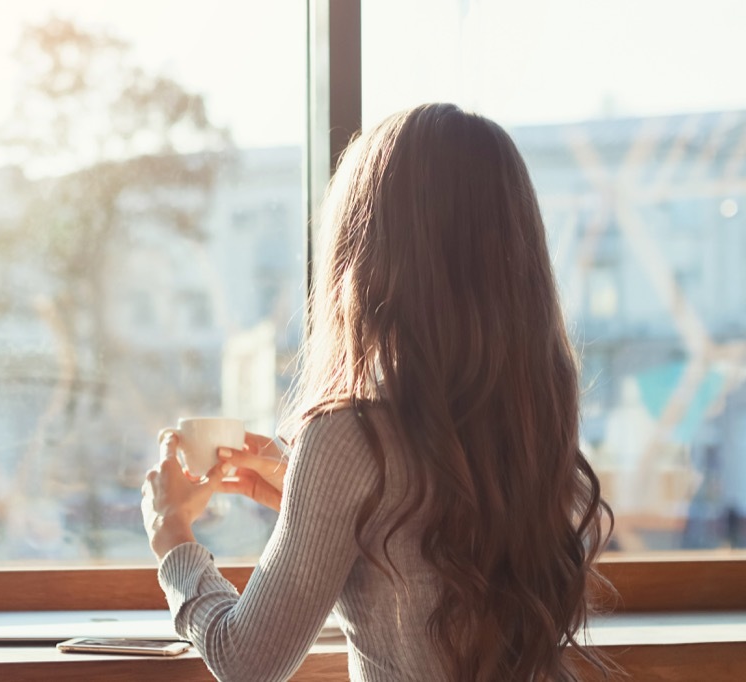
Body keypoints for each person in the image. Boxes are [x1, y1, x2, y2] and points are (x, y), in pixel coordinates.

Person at [141, 103, 614, 681]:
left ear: (367, 254)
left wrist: (172, 538)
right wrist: (315, 495)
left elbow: (247, 661)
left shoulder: (347, 435)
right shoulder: (530, 418)